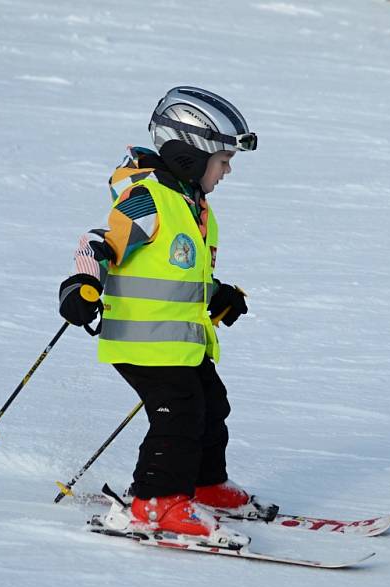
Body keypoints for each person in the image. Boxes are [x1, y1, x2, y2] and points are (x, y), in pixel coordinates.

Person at [58, 86, 263, 537]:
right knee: (179, 413)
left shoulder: (191, 205)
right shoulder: (148, 198)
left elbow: (175, 273)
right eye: (223, 161)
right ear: (190, 156)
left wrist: (216, 294)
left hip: (177, 342)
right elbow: (97, 243)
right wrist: (81, 283)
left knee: (211, 403)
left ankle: (204, 485)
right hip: (141, 340)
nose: (227, 171)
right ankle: (154, 502)